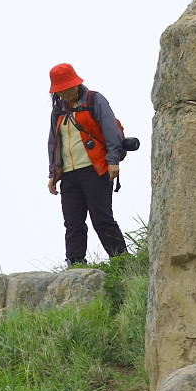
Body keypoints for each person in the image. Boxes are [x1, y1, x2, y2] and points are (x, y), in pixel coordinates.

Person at [46, 63, 128, 265]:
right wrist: (53, 173)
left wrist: (113, 160)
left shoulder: (94, 99)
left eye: (68, 87)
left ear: (76, 83)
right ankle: (75, 265)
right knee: (73, 223)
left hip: (96, 169)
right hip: (69, 175)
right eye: (61, 89)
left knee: (102, 219)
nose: (65, 92)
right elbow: (54, 142)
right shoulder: (58, 109)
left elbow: (110, 129)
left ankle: (122, 262)